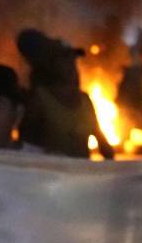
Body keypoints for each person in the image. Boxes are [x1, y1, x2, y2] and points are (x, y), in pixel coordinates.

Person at [17, 28, 112, 160]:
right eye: (65, 60)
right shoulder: (40, 100)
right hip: (51, 178)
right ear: (51, 66)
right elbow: (26, 146)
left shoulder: (85, 100)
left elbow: (104, 146)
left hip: (80, 177)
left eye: (73, 60)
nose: (72, 66)